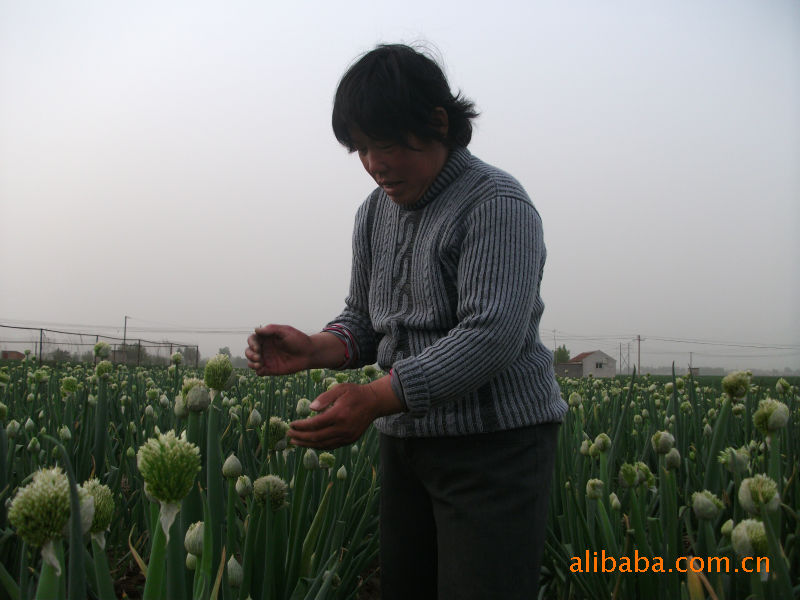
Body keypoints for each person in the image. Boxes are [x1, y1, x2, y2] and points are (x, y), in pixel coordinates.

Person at [246, 43, 568, 600]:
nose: (374, 164)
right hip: (406, 441)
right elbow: (364, 322)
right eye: (361, 150)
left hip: (495, 448)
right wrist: (314, 348)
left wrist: (373, 397)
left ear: (437, 123)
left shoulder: (496, 203)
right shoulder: (373, 212)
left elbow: (491, 336)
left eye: (387, 144)